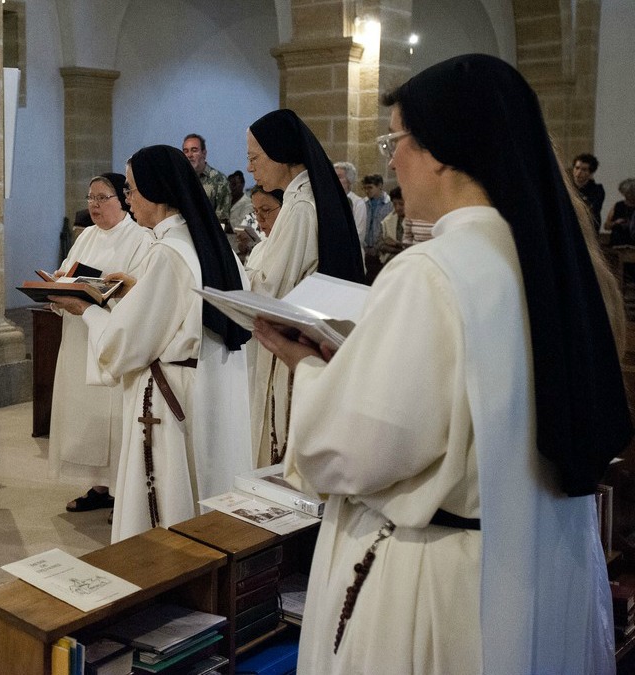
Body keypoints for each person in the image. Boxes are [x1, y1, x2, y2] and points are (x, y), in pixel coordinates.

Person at [253, 53, 630, 674]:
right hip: (539, 560)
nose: (392, 160)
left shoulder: (433, 269)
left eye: (395, 139)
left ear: (443, 151)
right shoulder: (549, 263)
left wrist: (312, 370)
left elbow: (353, 448)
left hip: (443, 583)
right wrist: (359, 361)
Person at [50, 145, 250, 542]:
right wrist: (137, 289)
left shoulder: (168, 253)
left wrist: (84, 309)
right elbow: (183, 306)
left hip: (166, 395)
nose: (128, 199)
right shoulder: (207, 244)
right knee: (199, 490)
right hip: (205, 386)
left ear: (157, 192)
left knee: (165, 505)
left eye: (131, 189)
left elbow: (127, 342)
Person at [244, 109, 365, 468]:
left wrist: (231, 275)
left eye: (254, 158)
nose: (250, 168)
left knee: (283, 448)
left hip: (294, 344)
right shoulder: (311, 195)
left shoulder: (298, 208)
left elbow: (269, 289)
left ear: (280, 153)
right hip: (303, 341)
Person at [51, 173, 151, 514]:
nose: (93, 205)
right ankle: (99, 486)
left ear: (121, 200)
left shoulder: (141, 237)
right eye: (90, 198)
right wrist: (56, 287)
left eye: (101, 197)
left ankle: (123, 492)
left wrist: (99, 299)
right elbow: (67, 272)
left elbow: (141, 293)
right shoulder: (85, 237)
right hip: (81, 337)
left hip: (113, 338)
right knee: (86, 412)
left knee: (114, 416)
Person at [182, 133, 233, 223]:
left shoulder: (220, 181)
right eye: (186, 151)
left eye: (194, 150)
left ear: (204, 153)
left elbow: (222, 220)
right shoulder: (179, 180)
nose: (189, 155)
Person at [243, 186, 284, 269]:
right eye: (256, 211)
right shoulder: (257, 250)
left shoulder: (291, 250)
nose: (259, 218)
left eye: (265, 210)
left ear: (284, 208)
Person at [334, 161, 367, 243]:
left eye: (339, 177)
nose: (334, 180)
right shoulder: (329, 200)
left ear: (349, 180)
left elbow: (359, 234)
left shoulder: (358, 203)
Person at [572, 152, 605, 228]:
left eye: (584, 169)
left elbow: (593, 210)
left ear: (591, 173)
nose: (579, 172)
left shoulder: (597, 189)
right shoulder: (566, 188)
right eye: (577, 168)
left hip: (588, 227)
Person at [375, 186, 406, 265]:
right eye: (394, 204)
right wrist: (398, 249)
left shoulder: (415, 221)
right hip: (390, 262)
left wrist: (396, 244)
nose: (397, 208)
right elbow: (379, 244)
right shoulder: (387, 221)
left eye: (401, 204)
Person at [605, 178, 635, 246]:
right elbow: (606, 226)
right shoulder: (618, 206)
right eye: (626, 193)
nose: (628, 196)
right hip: (617, 244)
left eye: (631, 193)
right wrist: (615, 222)